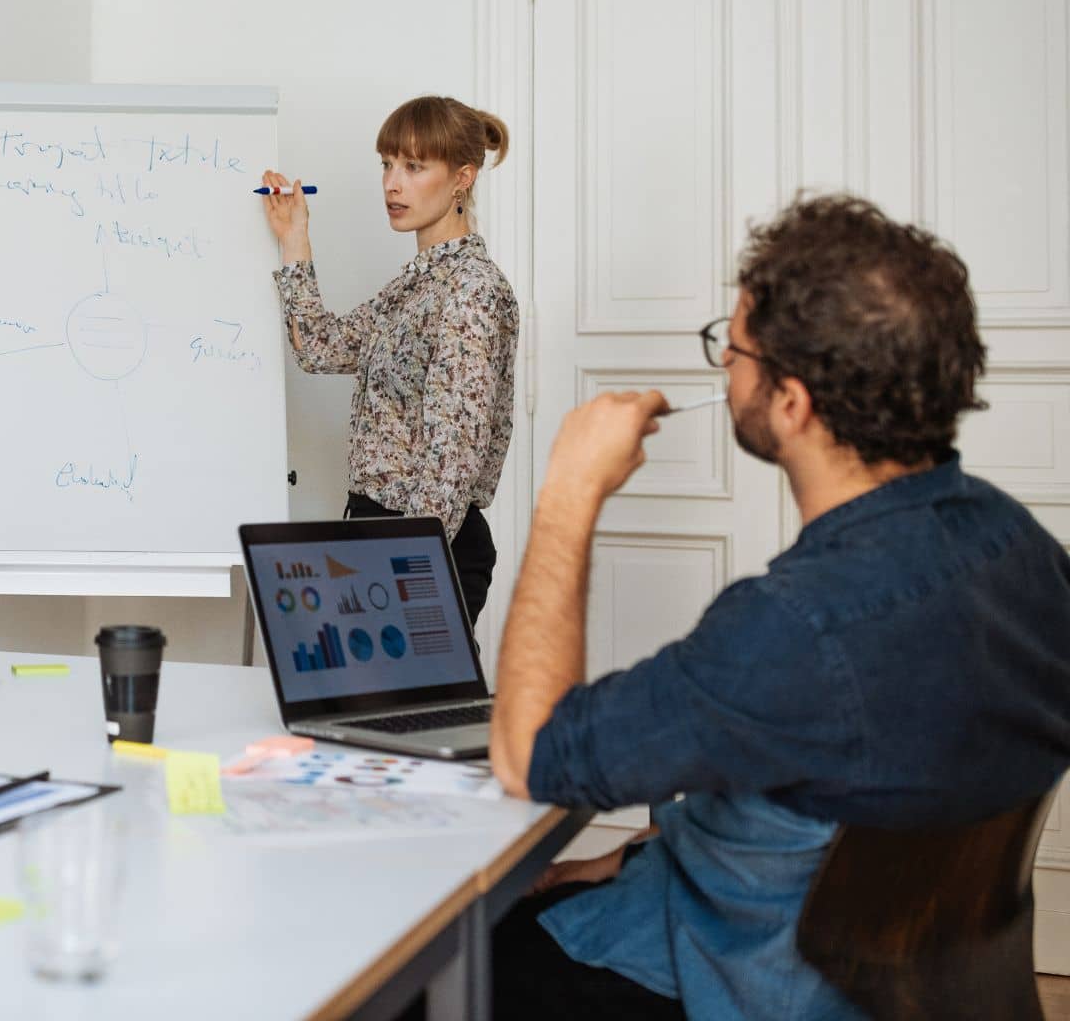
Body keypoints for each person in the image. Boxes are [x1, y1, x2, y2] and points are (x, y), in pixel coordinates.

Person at [486, 195, 1070, 1020]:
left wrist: (567, 492)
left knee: (435, 966)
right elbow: (844, 801)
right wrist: (624, 860)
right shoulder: (1025, 552)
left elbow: (528, 754)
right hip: (927, 983)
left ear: (791, 402)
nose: (725, 366)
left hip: (756, 984)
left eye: (735, 348)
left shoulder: (794, 628)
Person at [261, 94, 518, 623]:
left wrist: (402, 563)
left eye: (414, 166)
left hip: (425, 544)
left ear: (462, 179)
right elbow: (320, 348)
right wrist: (295, 239)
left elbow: (453, 459)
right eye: (387, 164)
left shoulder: (471, 289)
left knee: (422, 703)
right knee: (376, 704)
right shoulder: (415, 286)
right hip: (381, 532)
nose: (392, 183)